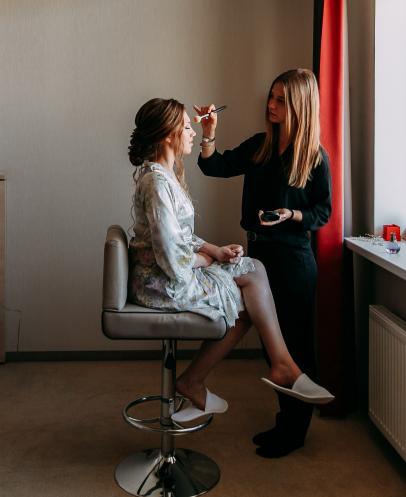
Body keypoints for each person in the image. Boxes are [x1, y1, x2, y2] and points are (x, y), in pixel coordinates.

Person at [126, 97, 333, 433]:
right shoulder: (158, 183)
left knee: (253, 272)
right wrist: (207, 259)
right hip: (161, 283)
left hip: (171, 272)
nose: (192, 132)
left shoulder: (163, 176)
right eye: (187, 127)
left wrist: (214, 250)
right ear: (167, 135)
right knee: (250, 293)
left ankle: (268, 368)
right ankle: (249, 371)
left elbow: (177, 237)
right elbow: (174, 259)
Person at [194, 68, 332, 458]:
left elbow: (323, 212)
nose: (271, 105)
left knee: (295, 347)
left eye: (281, 100)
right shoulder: (260, 146)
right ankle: (285, 421)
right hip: (260, 256)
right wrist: (209, 133)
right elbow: (215, 166)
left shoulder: (314, 157)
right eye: (271, 97)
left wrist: (292, 215)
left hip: (293, 259)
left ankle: (294, 431)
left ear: (300, 106)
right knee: (274, 349)